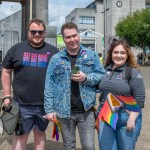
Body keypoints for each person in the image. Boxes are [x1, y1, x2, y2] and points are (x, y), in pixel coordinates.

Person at [44, 22, 105, 150]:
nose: (72, 39)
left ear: (79, 35)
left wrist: (86, 78)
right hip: (63, 112)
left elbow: (101, 76)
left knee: (88, 146)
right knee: (69, 146)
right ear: (64, 38)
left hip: (86, 111)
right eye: (68, 37)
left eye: (74, 35)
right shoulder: (56, 59)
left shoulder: (91, 55)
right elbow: (49, 85)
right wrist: (49, 110)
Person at [1, 18, 59, 150]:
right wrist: (7, 95)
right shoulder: (16, 49)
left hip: (45, 104)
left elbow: (61, 76)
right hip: (21, 103)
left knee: (40, 133)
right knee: (21, 135)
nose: (37, 35)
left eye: (40, 32)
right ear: (28, 32)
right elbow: (6, 71)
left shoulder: (54, 52)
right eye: (33, 32)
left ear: (44, 33)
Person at [97, 39, 145, 150]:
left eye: (122, 53)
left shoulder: (132, 72)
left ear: (127, 55)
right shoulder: (104, 69)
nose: (119, 55)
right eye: (116, 52)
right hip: (106, 115)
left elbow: (140, 98)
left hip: (126, 117)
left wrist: (132, 119)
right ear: (111, 54)